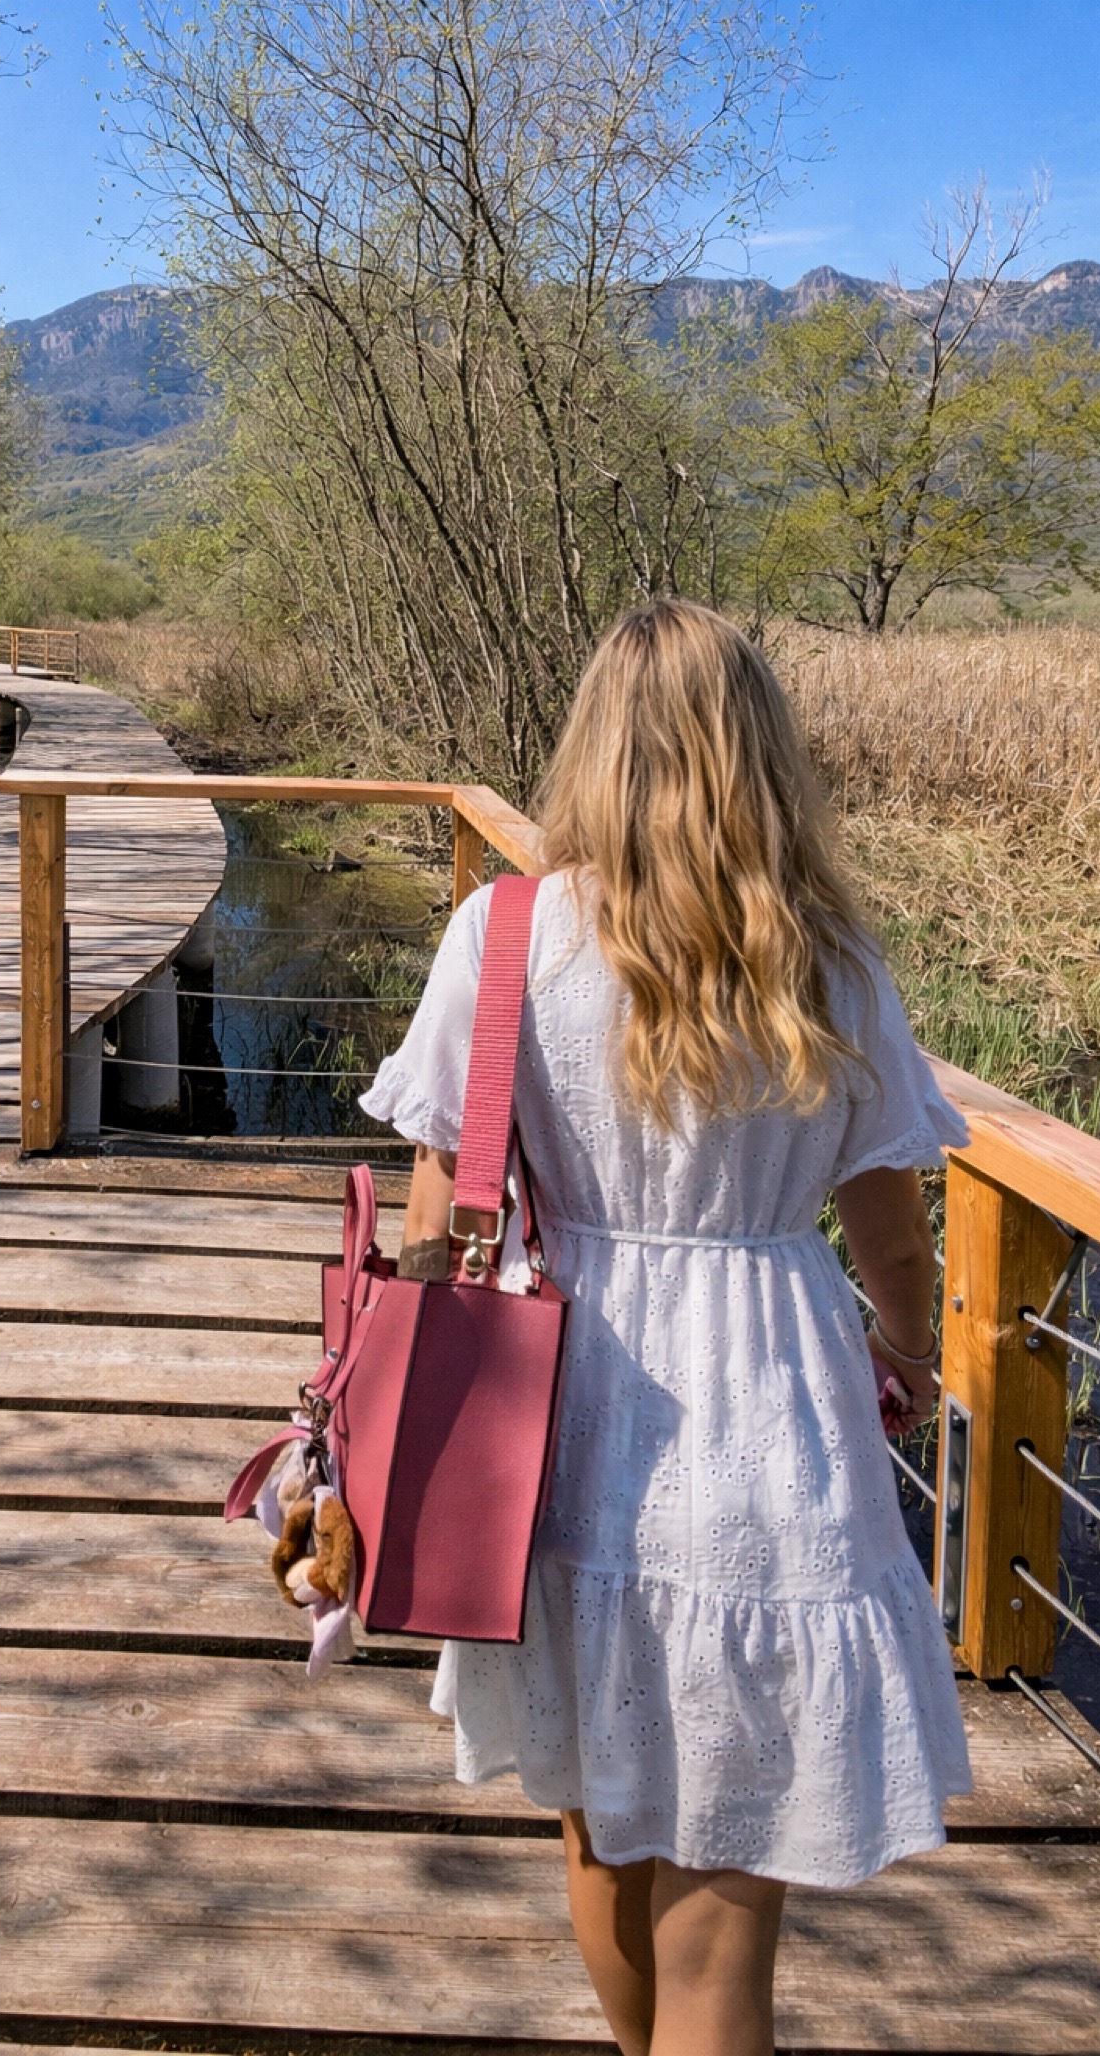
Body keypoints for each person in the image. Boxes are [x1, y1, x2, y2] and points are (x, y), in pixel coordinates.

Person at [360, 599, 971, 2056]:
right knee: (724, 1926)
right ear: (762, 752)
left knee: (601, 1832)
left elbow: (441, 1201)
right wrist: (908, 1356)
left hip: (557, 1432)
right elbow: (892, 1236)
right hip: (772, 1422)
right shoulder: (826, 958)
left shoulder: (508, 932)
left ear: (594, 748)